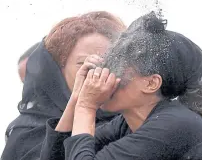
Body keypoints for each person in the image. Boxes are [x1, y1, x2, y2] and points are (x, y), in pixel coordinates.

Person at [38, 12, 202, 160]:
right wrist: (78, 97)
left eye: (116, 67)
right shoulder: (129, 123)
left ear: (151, 83)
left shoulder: (174, 124)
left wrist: (86, 107)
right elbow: (57, 157)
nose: (105, 74)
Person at [1, 11, 126, 160]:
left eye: (109, 62)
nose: (98, 71)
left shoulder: (136, 121)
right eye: (84, 63)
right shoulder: (27, 132)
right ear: (58, 70)